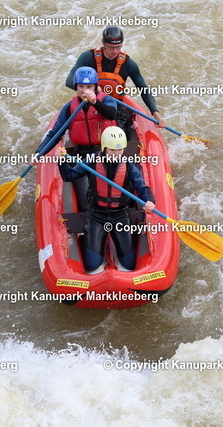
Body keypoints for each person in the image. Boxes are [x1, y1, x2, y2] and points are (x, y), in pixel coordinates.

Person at [56, 126, 155, 274]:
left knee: (128, 264)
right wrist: (61, 160)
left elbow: (141, 187)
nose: (116, 154)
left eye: (120, 150)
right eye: (112, 150)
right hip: (96, 215)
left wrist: (149, 200)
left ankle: (114, 253)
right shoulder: (92, 160)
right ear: (104, 148)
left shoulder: (128, 165)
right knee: (92, 266)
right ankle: (96, 250)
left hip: (120, 215)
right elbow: (69, 176)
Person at [34, 66, 117, 210]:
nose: (85, 91)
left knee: (111, 194)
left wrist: (95, 102)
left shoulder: (107, 100)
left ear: (95, 86)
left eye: (89, 87)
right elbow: (55, 134)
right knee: (85, 202)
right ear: (76, 87)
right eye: (81, 87)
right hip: (82, 154)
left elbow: (111, 114)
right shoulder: (69, 108)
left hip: (106, 153)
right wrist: (39, 153)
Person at [65, 26, 167, 131]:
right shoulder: (88, 57)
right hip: (90, 102)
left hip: (116, 106)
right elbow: (69, 81)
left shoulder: (128, 64)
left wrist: (155, 112)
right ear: (103, 43)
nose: (115, 51)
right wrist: (93, 90)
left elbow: (143, 89)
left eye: (118, 47)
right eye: (110, 47)